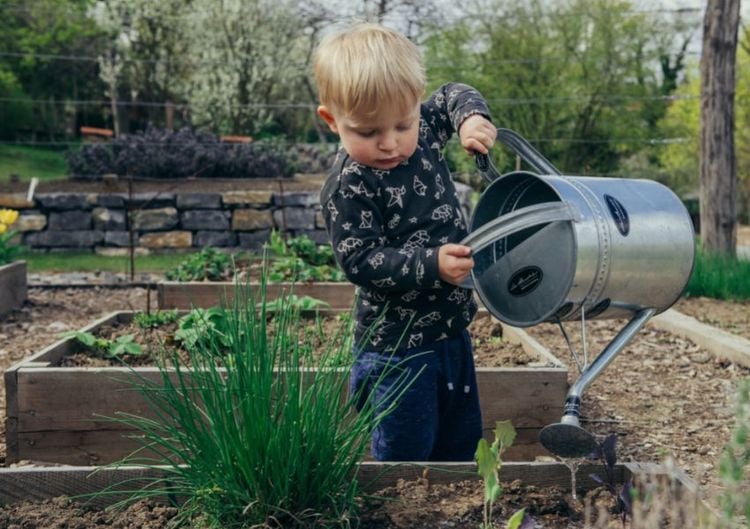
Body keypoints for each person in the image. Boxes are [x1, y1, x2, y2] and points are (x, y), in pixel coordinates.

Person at [314, 22, 497, 461]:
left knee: (460, 442)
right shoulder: (349, 186)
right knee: (406, 452)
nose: (390, 143)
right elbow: (360, 260)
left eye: (402, 123)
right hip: (397, 349)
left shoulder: (427, 130)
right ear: (331, 120)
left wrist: (472, 118)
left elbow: (454, 92)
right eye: (367, 132)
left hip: (452, 331)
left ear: (416, 105)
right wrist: (431, 264)